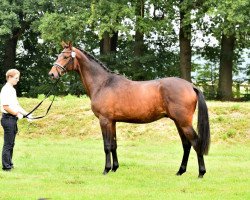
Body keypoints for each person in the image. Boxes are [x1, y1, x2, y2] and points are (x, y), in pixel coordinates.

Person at [0, 69, 30, 171]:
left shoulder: (12, 89)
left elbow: (16, 105)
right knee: (8, 144)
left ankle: (9, 164)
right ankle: (6, 167)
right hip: (7, 118)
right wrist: (17, 114)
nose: (17, 80)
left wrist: (27, 114)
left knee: (11, 143)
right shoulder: (6, 90)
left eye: (18, 78)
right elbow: (6, 107)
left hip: (12, 119)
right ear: (9, 77)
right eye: (16, 78)